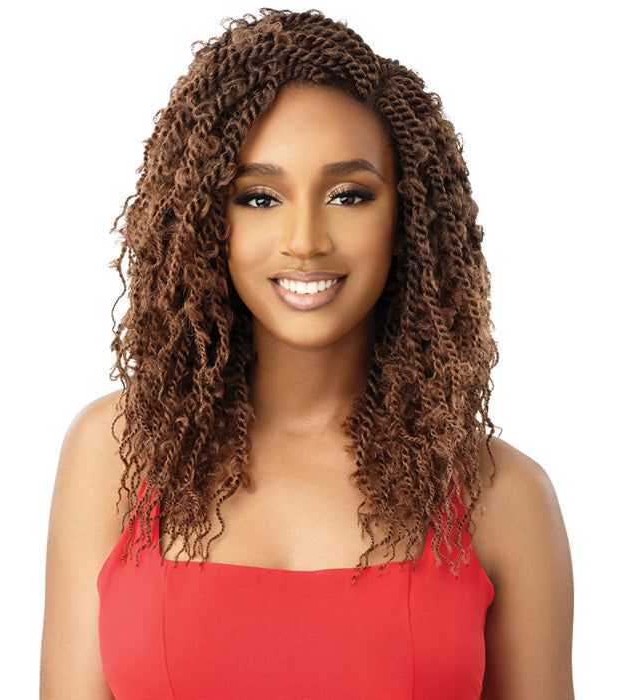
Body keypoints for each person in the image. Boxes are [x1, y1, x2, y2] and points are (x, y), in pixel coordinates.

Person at [40, 8, 574, 699]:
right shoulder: (115, 453)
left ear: (407, 217)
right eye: (259, 198)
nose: (304, 240)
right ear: (206, 219)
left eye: (349, 195)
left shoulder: (501, 495)